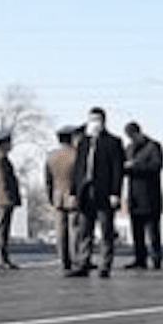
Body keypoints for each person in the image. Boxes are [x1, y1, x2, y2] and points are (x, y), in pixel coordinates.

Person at [71, 106, 125, 278]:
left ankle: (105, 265)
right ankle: (83, 262)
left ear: (103, 121)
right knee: (84, 230)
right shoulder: (84, 142)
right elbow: (78, 168)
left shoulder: (113, 142)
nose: (93, 123)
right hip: (86, 192)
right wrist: (74, 192)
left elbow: (117, 169)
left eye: (96, 119)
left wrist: (115, 193)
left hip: (104, 192)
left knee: (106, 230)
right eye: (91, 119)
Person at [122, 121, 163, 270]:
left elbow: (156, 166)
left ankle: (156, 257)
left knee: (153, 230)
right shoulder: (129, 148)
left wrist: (135, 165)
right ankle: (140, 258)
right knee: (137, 231)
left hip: (150, 195)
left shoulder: (153, 146)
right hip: (134, 196)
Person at [44, 126, 82, 273]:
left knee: (60, 231)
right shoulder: (77, 155)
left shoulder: (51, 155)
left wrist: (51, 198)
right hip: (73, 197)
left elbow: (48, 180)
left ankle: (63, 260)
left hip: (57, 197)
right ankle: (75, 260)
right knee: (75, 231)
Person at [0, 129, 22, 270]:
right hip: (4, 197)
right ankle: (1, 259)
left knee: (2, 229)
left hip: (0, 197)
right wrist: (10, 197)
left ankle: (3, 258)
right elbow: (3, 180)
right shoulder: (0, 158)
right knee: (2, 230)